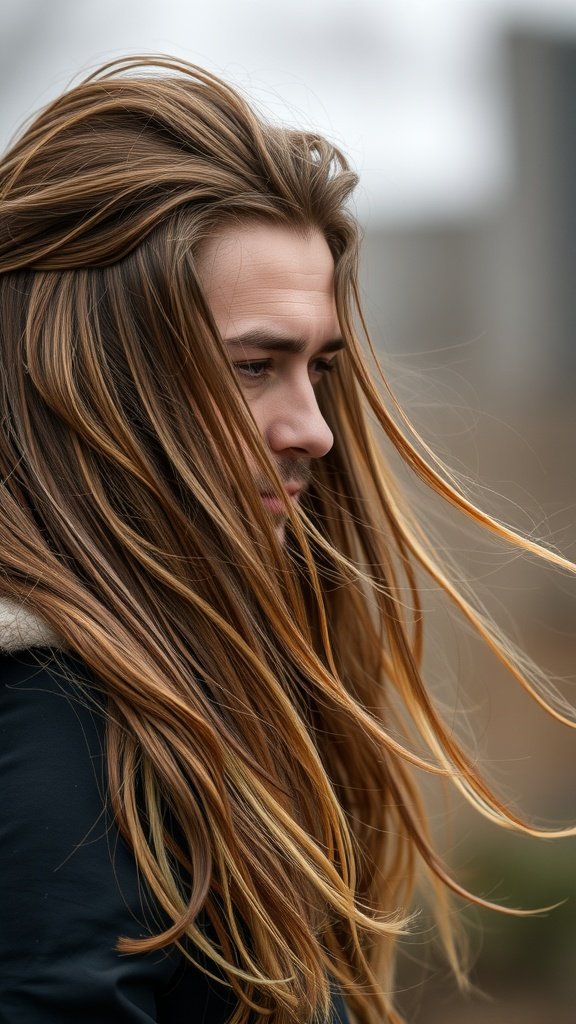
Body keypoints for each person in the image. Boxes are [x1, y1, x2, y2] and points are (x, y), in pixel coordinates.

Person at [0, 56, 573, 1024]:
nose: (316, 430)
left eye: (319, 370)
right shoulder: (51, 719)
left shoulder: (164, 694)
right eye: (254, 366)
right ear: (88, 372)